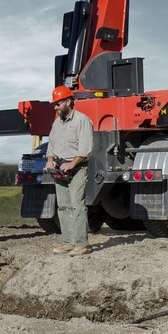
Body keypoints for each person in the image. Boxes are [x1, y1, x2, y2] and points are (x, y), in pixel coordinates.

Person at [45, 85, 94, 255]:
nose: (55, 107)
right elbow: (51, 144)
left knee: (77, 205)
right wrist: (50, 160)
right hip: (60, 169)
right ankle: (68, 242)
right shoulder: (56, 123)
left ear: (68, 102)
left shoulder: (82, 120)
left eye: (58, 104)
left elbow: (86, 149)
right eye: (55, 105)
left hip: (77, 168)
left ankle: (81, 244)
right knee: (63, 206)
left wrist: (71, 164)